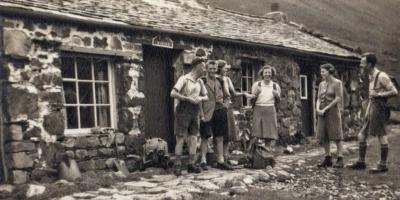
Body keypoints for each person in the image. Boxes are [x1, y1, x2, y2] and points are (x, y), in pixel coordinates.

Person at [348, 53, 398, 173]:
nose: (361, 65)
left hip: (379, 108)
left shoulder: (381, 76)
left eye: (363, 63)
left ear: (369, 64)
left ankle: (383, 165)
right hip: (372, 106)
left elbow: (394, 91)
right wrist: (368, 110)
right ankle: (361, 161)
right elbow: (371, 96)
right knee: (362, 134)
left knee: (381, 135)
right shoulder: (370, 76)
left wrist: (379, 94)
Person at [170, 57, 208, 176]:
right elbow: (173, 93)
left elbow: (206, 96)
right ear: (196, 66)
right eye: (203, 66)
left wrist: (199, 98)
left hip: (195, 110)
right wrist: (187, 98)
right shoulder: (184, 79)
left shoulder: (200, 82)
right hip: (183, 109)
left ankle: (191, 164)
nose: (204, 69)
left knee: (193, 138)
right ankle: (177, 165)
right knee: (180, 137)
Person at [199, 60, 232, 170]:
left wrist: (225, 106)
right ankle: (203, 160)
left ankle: (220, 160)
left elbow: (227, 96)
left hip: (219, 110)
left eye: (214, 68)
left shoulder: (221, 80)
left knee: (220, 136)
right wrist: (201, 113)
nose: (212, 70)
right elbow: (199, 98)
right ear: (206, 69)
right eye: (210, 68)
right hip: (206, 111)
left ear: (217, 69)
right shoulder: (202, 81)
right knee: (205, 136)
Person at [216, 60, 250, 159]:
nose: (227, 69)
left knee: (228, 132)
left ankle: (225, 155)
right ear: (220, 68)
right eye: (225, 67)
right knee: (218, 132)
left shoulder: (227, 79)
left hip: (228, 106)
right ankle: (218, 155)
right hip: (217, 107)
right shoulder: (214, 79)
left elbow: (234, 93)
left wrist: (244, 94)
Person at [316, 63, 344, 168]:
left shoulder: (337, 83)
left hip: (332, 111)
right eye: (321, 71)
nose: (321, 73)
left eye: (323, 71)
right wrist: (318, 108)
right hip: (322, 112)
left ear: (329, 71)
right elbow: (318, 98)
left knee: (336, 134)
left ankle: (340, 158)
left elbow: (338, 98)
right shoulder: (321, 84)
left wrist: (326, 109)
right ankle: (327, 158)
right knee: (324, 135)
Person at [247, 65, 281, 152]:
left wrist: (276, 95)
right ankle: (254, 152)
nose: (267, 74)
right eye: (266, 72)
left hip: (270, 108)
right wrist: (256, 93)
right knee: (256, 132)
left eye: (269, 73)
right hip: (258, 108)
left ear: (272, 74)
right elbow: (251, 99)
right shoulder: (257, 85)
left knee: (269, 133)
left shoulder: (275, 86)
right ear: (262, 74)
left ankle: (267, 151)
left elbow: (279, 100)